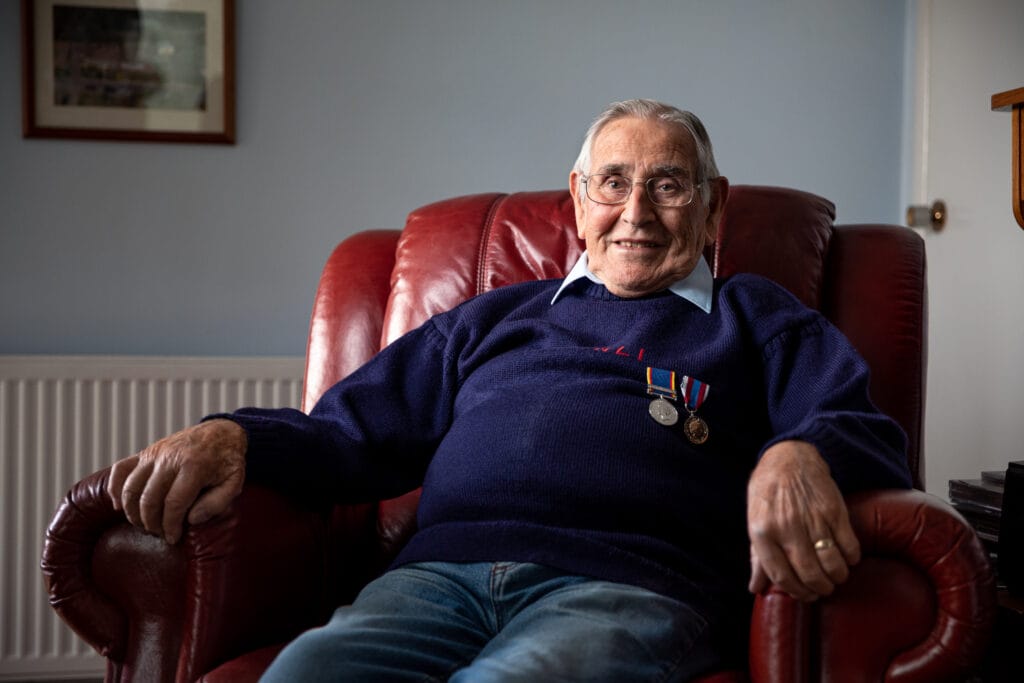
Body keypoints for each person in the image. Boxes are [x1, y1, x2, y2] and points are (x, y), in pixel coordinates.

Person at [107, 99, 912, 681]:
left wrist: (802, 449)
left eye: (668, 185)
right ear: (578, 198)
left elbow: (862, 424)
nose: (637, 212)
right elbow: (346, 436)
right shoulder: (490, 318)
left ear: (712, 208)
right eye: (613, 183)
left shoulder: (756, 316)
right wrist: (234, 436)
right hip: (432, 583)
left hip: (625, 589)